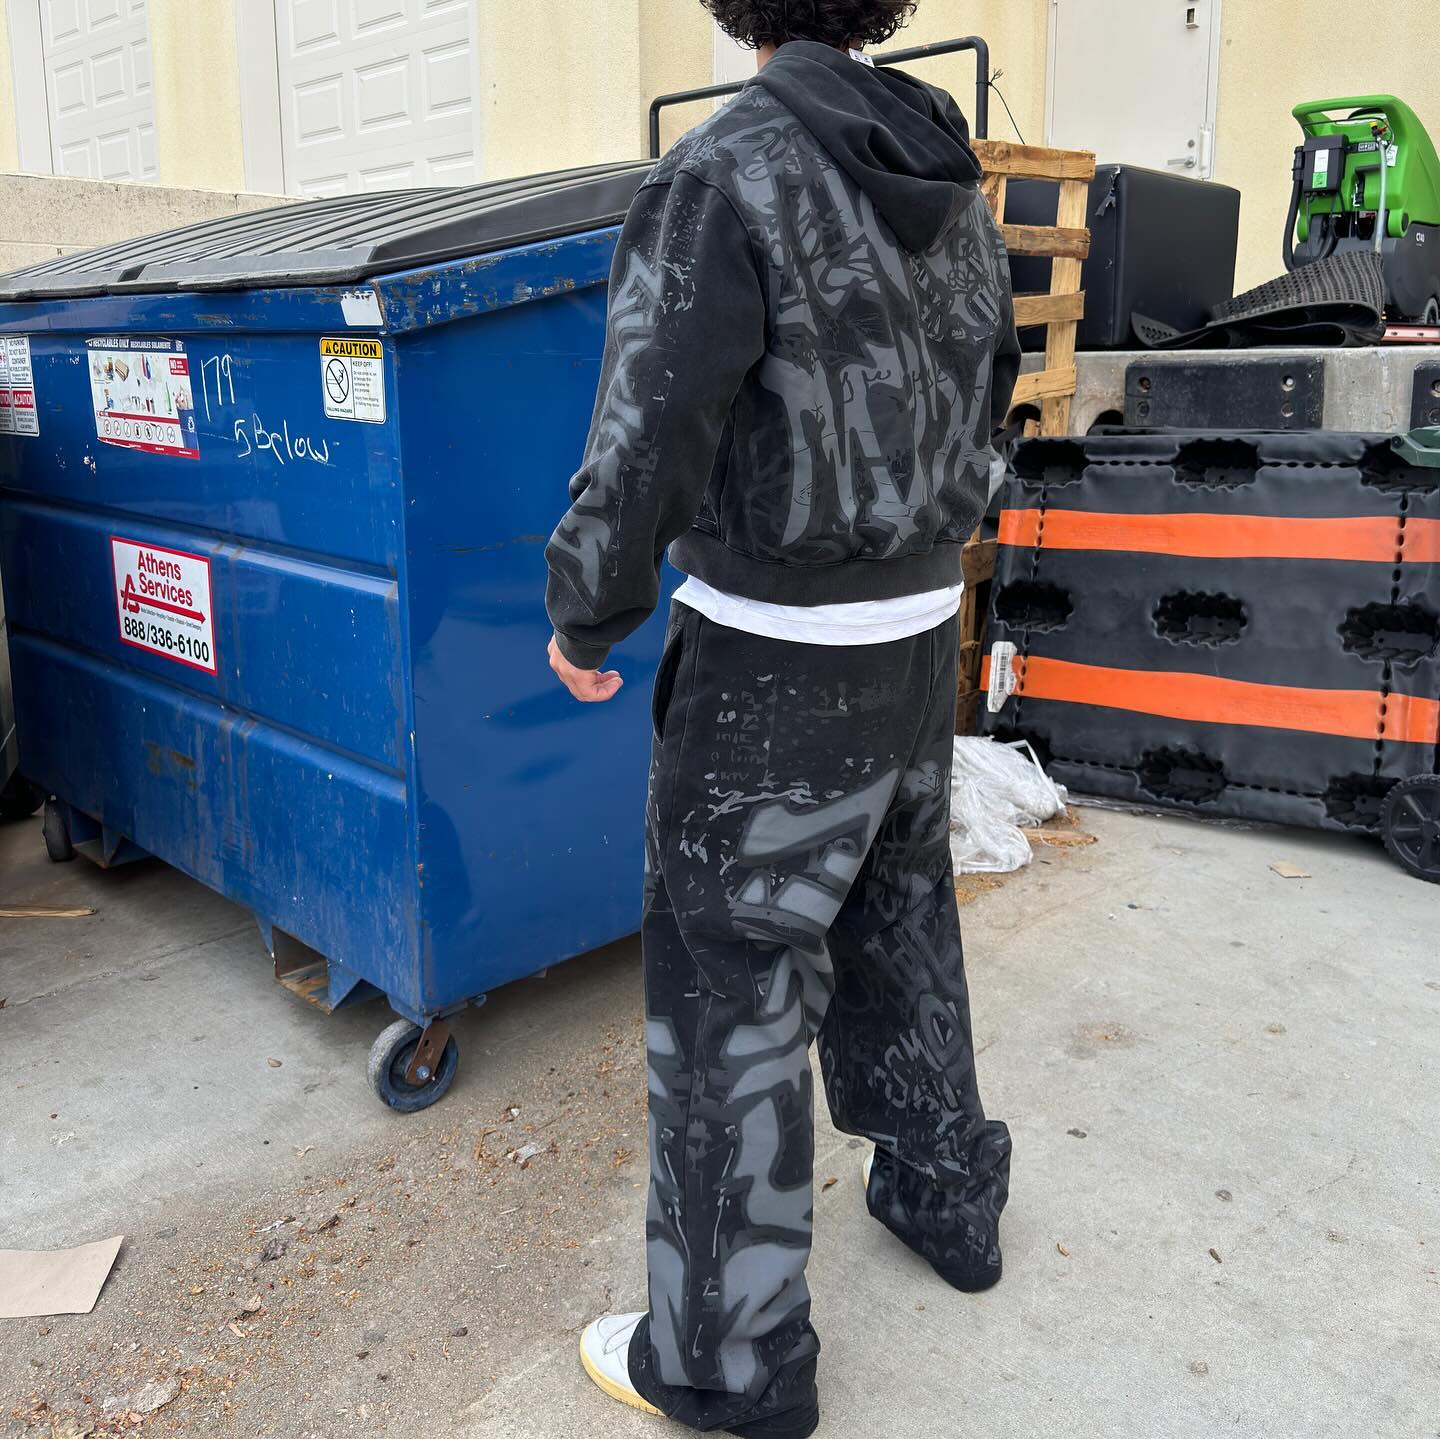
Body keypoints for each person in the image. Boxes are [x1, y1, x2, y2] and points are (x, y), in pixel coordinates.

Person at [544, 2, 1019, 1433]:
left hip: (772, 655)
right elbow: (993, 383)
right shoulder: (945, 168)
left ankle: (728, 1364)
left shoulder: (723, 170)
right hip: (918, 624)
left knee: (730, 984)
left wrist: (586, 607)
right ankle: (948, 1197)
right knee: (899, 915)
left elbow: (649, 428)